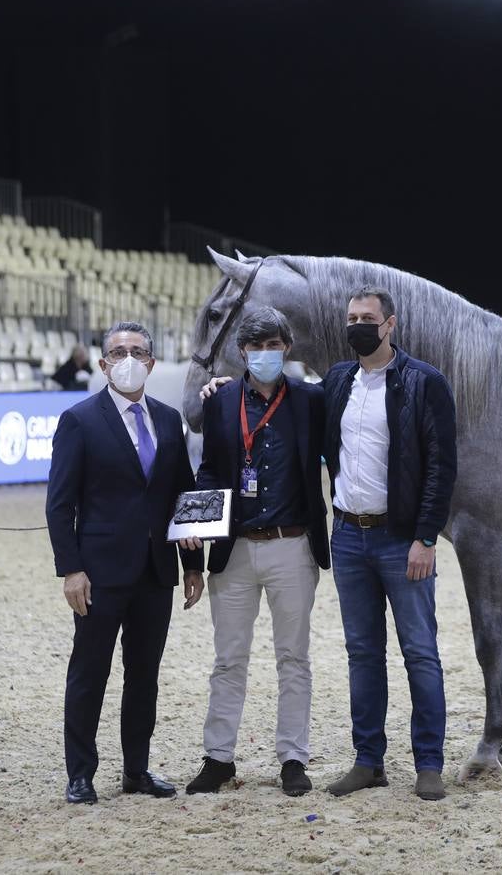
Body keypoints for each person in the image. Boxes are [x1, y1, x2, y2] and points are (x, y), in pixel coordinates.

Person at [45, 321, 205, 805]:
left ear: (152, 363)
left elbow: (183, 494)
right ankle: (81, 774)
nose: (127, 359)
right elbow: (59, 504)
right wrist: (71, 568)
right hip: (99, 574)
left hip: (156, 572)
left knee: (144, 676)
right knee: (89, 673)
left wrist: (194, 565)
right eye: (118, 352)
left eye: (137, 351)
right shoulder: (80, 420)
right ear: (103, 364)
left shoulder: (170, 419)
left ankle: (136, 768)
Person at [177, 308, 329, 798]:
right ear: (241, 352)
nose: (265, 354)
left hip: (292, 544)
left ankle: (293, 758)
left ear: (287, 347)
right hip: (235, 549)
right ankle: (218, 758)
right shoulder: (220, 401)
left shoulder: (310, 399)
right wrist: (195, 539)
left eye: (273, 345)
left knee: (294, 658)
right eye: (255, 347)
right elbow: (209, 473)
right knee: (228, 659)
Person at [323, 286, 457, 802]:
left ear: (390, 324)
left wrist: (425, 537)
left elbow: (442, 468)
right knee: (363, 654)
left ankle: (429, 763)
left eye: (368, 317)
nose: (358, 324)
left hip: (402, 541)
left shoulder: (425, 383)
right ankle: (368, 760)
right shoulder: (338, 380)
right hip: (348, 537)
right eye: (351, 316)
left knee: (420, 653)